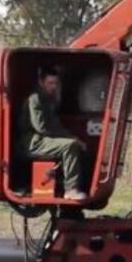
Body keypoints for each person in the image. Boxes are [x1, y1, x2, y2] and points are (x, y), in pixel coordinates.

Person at [17, 67, 87, 200]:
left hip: (43, 140)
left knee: (74, 144)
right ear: (41, 82)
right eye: (50, 83)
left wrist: (74, 138)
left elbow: (56, 125)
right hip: (33, 142)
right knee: (70, 146)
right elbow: (42, 128)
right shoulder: (35, 99)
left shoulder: (49, 99)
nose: (53, 86)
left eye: (56, 83)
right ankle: (71, 190)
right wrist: (72, 140)